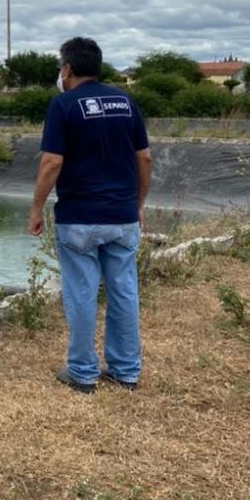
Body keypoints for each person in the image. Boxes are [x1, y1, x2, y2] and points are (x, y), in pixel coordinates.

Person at [27, 37, 152, 393]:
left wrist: (36, 208)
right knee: (124, 290)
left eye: (60, 67)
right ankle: (126, 371)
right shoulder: (126, 102)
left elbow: (51, 162)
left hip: (79, 216)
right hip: (122, 216)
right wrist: (138, 203)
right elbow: (144, 157)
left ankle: (82, 373)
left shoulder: (63, 105)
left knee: (81, 292)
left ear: (66, 68)